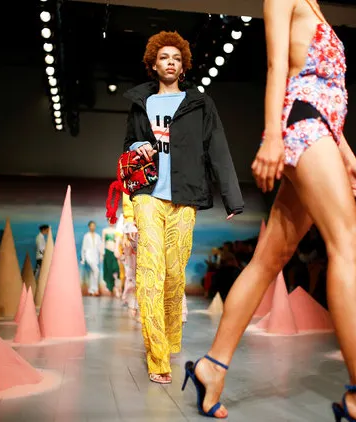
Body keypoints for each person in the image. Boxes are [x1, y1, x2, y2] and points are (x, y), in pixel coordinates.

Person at [181, 1, 356, 421]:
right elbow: (279, 68)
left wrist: (347, 159)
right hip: (302, 126)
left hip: (320, 129)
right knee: (350, 241)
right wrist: (272, 137)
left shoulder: (315, 6)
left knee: (268, 259)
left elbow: (329, 95)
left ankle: (212, 367)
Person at [123, 31, 243, 385]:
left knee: (175, 276)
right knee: (149, 271)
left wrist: (232, 198)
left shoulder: (199, 103)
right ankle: (157, 356)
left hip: (185, 197)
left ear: (184, 64)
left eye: (176, 57)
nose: (170, 61)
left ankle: (172, 339)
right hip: (147, 194)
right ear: (153, 64)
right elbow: (128, 143)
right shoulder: (139, 103)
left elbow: (217, 147)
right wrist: (138, 147)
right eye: (164, 57)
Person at [80, 221, 103, 296]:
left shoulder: (97, 236)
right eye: (91, 226)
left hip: (95, 255)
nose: (92, 227)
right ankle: (95, 289)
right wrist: (83, 258)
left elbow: (100, 247)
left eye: (94, 226)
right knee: (96, 270)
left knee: (93, 273)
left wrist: (101, 255)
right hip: (88, 255)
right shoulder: (86, 236)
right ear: (89, 227)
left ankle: (91, 290)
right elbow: (84, 247)